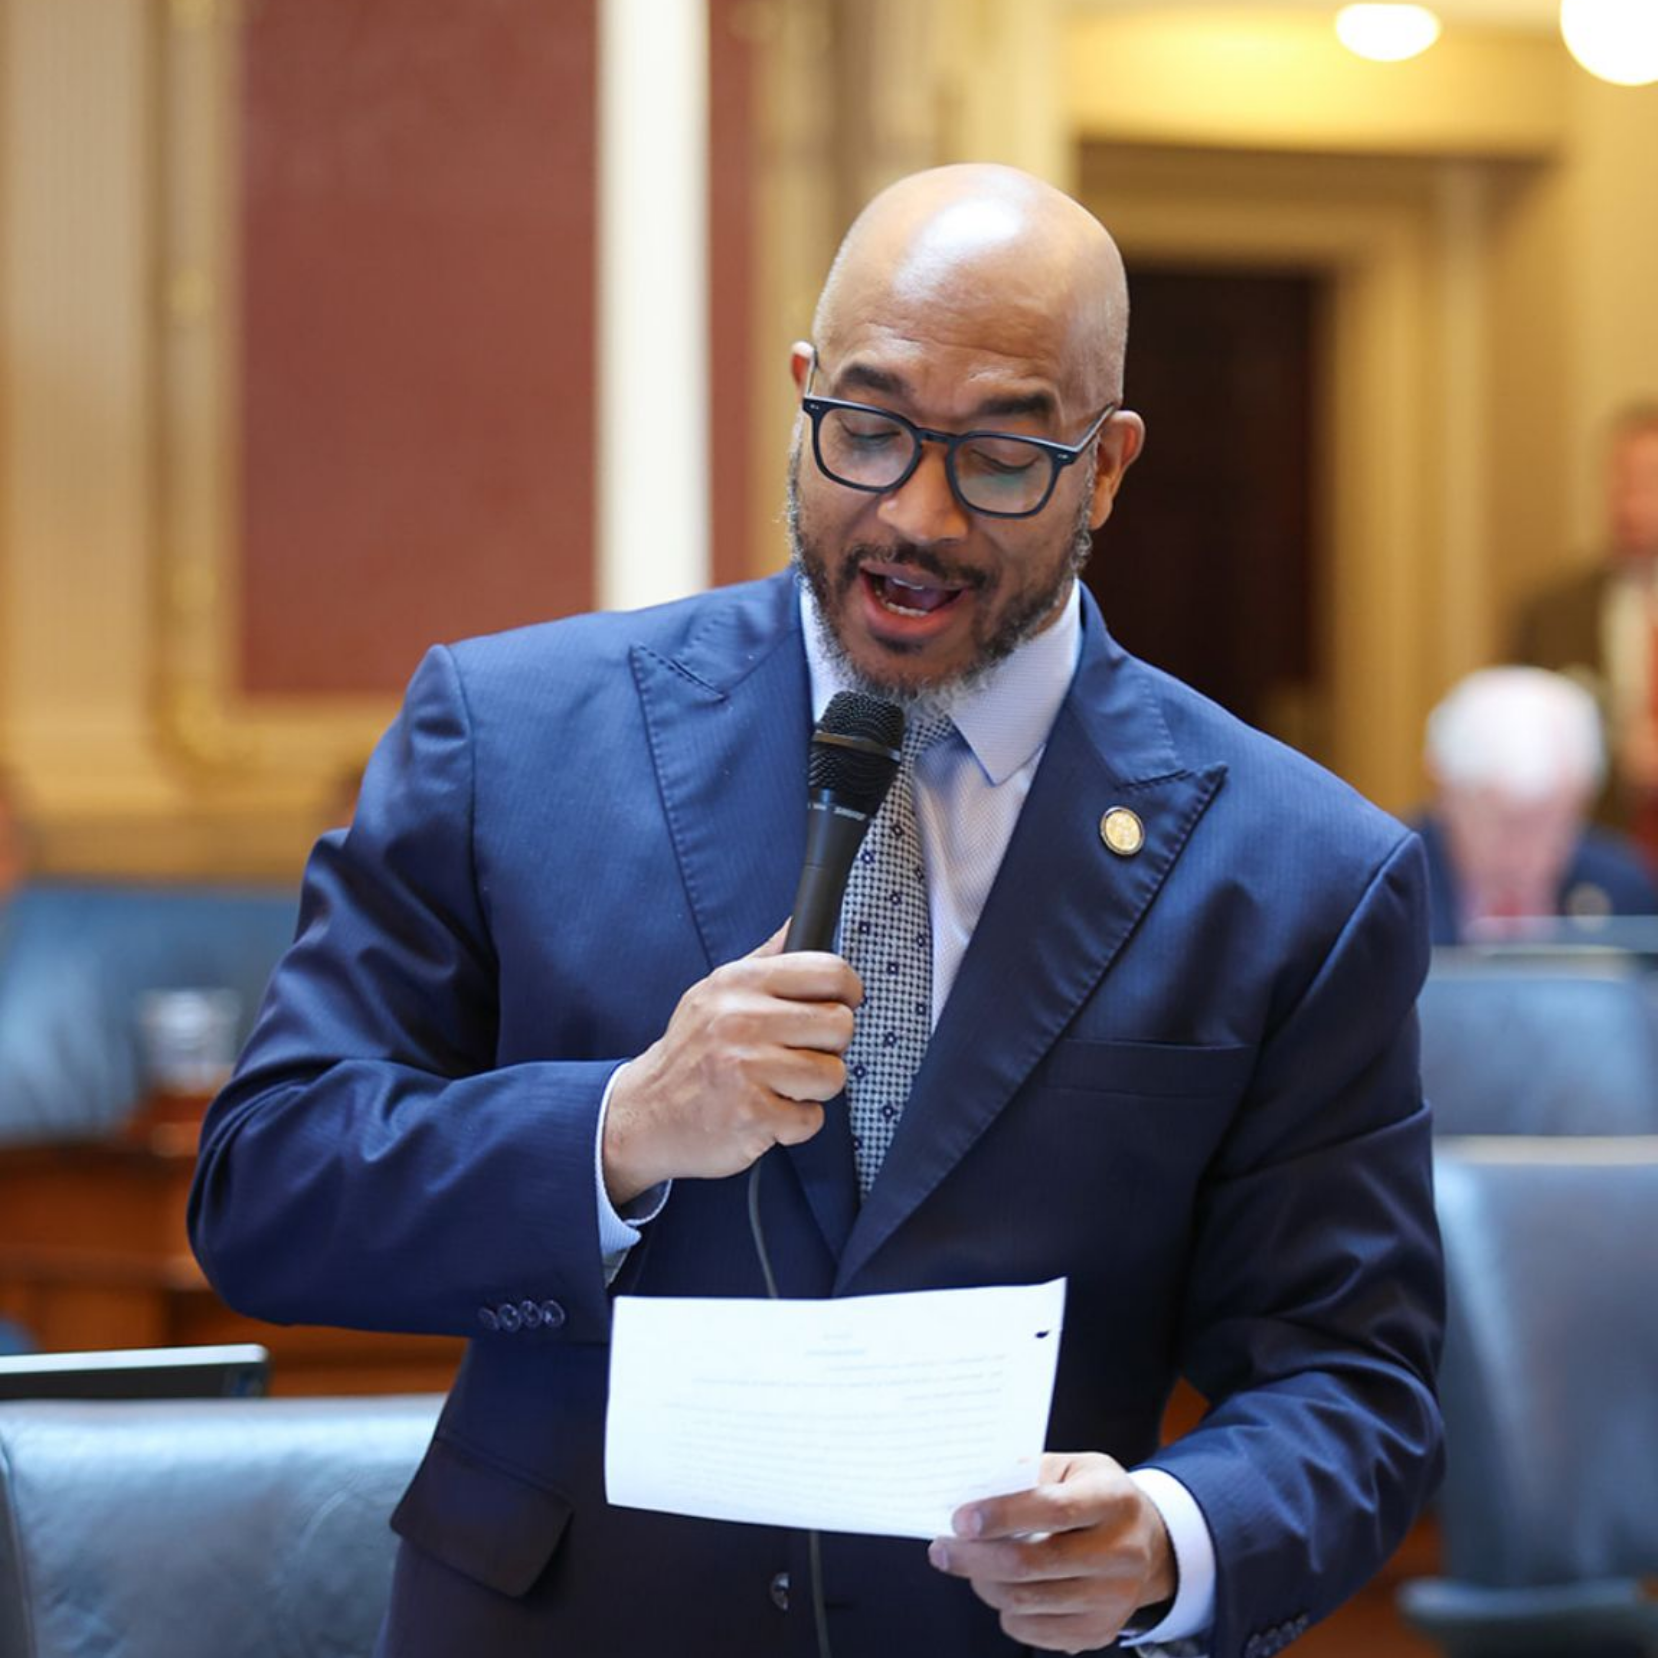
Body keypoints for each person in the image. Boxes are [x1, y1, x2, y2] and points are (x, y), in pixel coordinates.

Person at [189, 164, 1443, 1658]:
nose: (912, 512)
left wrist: (1172, 1536)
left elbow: (1351, 1377)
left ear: (1103, 467)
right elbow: (268, 1186)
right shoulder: (510, 736)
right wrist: (621, 1126)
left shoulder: (1295, 867)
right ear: (801, 394)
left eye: (997, 455)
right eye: (867, 427)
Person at [1417, 666, 1658, 945]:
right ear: (1446, 793)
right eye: (1507, 824)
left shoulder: (1624, 891)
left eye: (1553, 824)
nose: (1526, 853)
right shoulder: (1386, 890)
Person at [1515, 403, 1658, 848]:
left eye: (1648, 484)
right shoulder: (1550, 614)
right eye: (1619, 482)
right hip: (1590, 860)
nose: (1629, 502)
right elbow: (1516, 747)